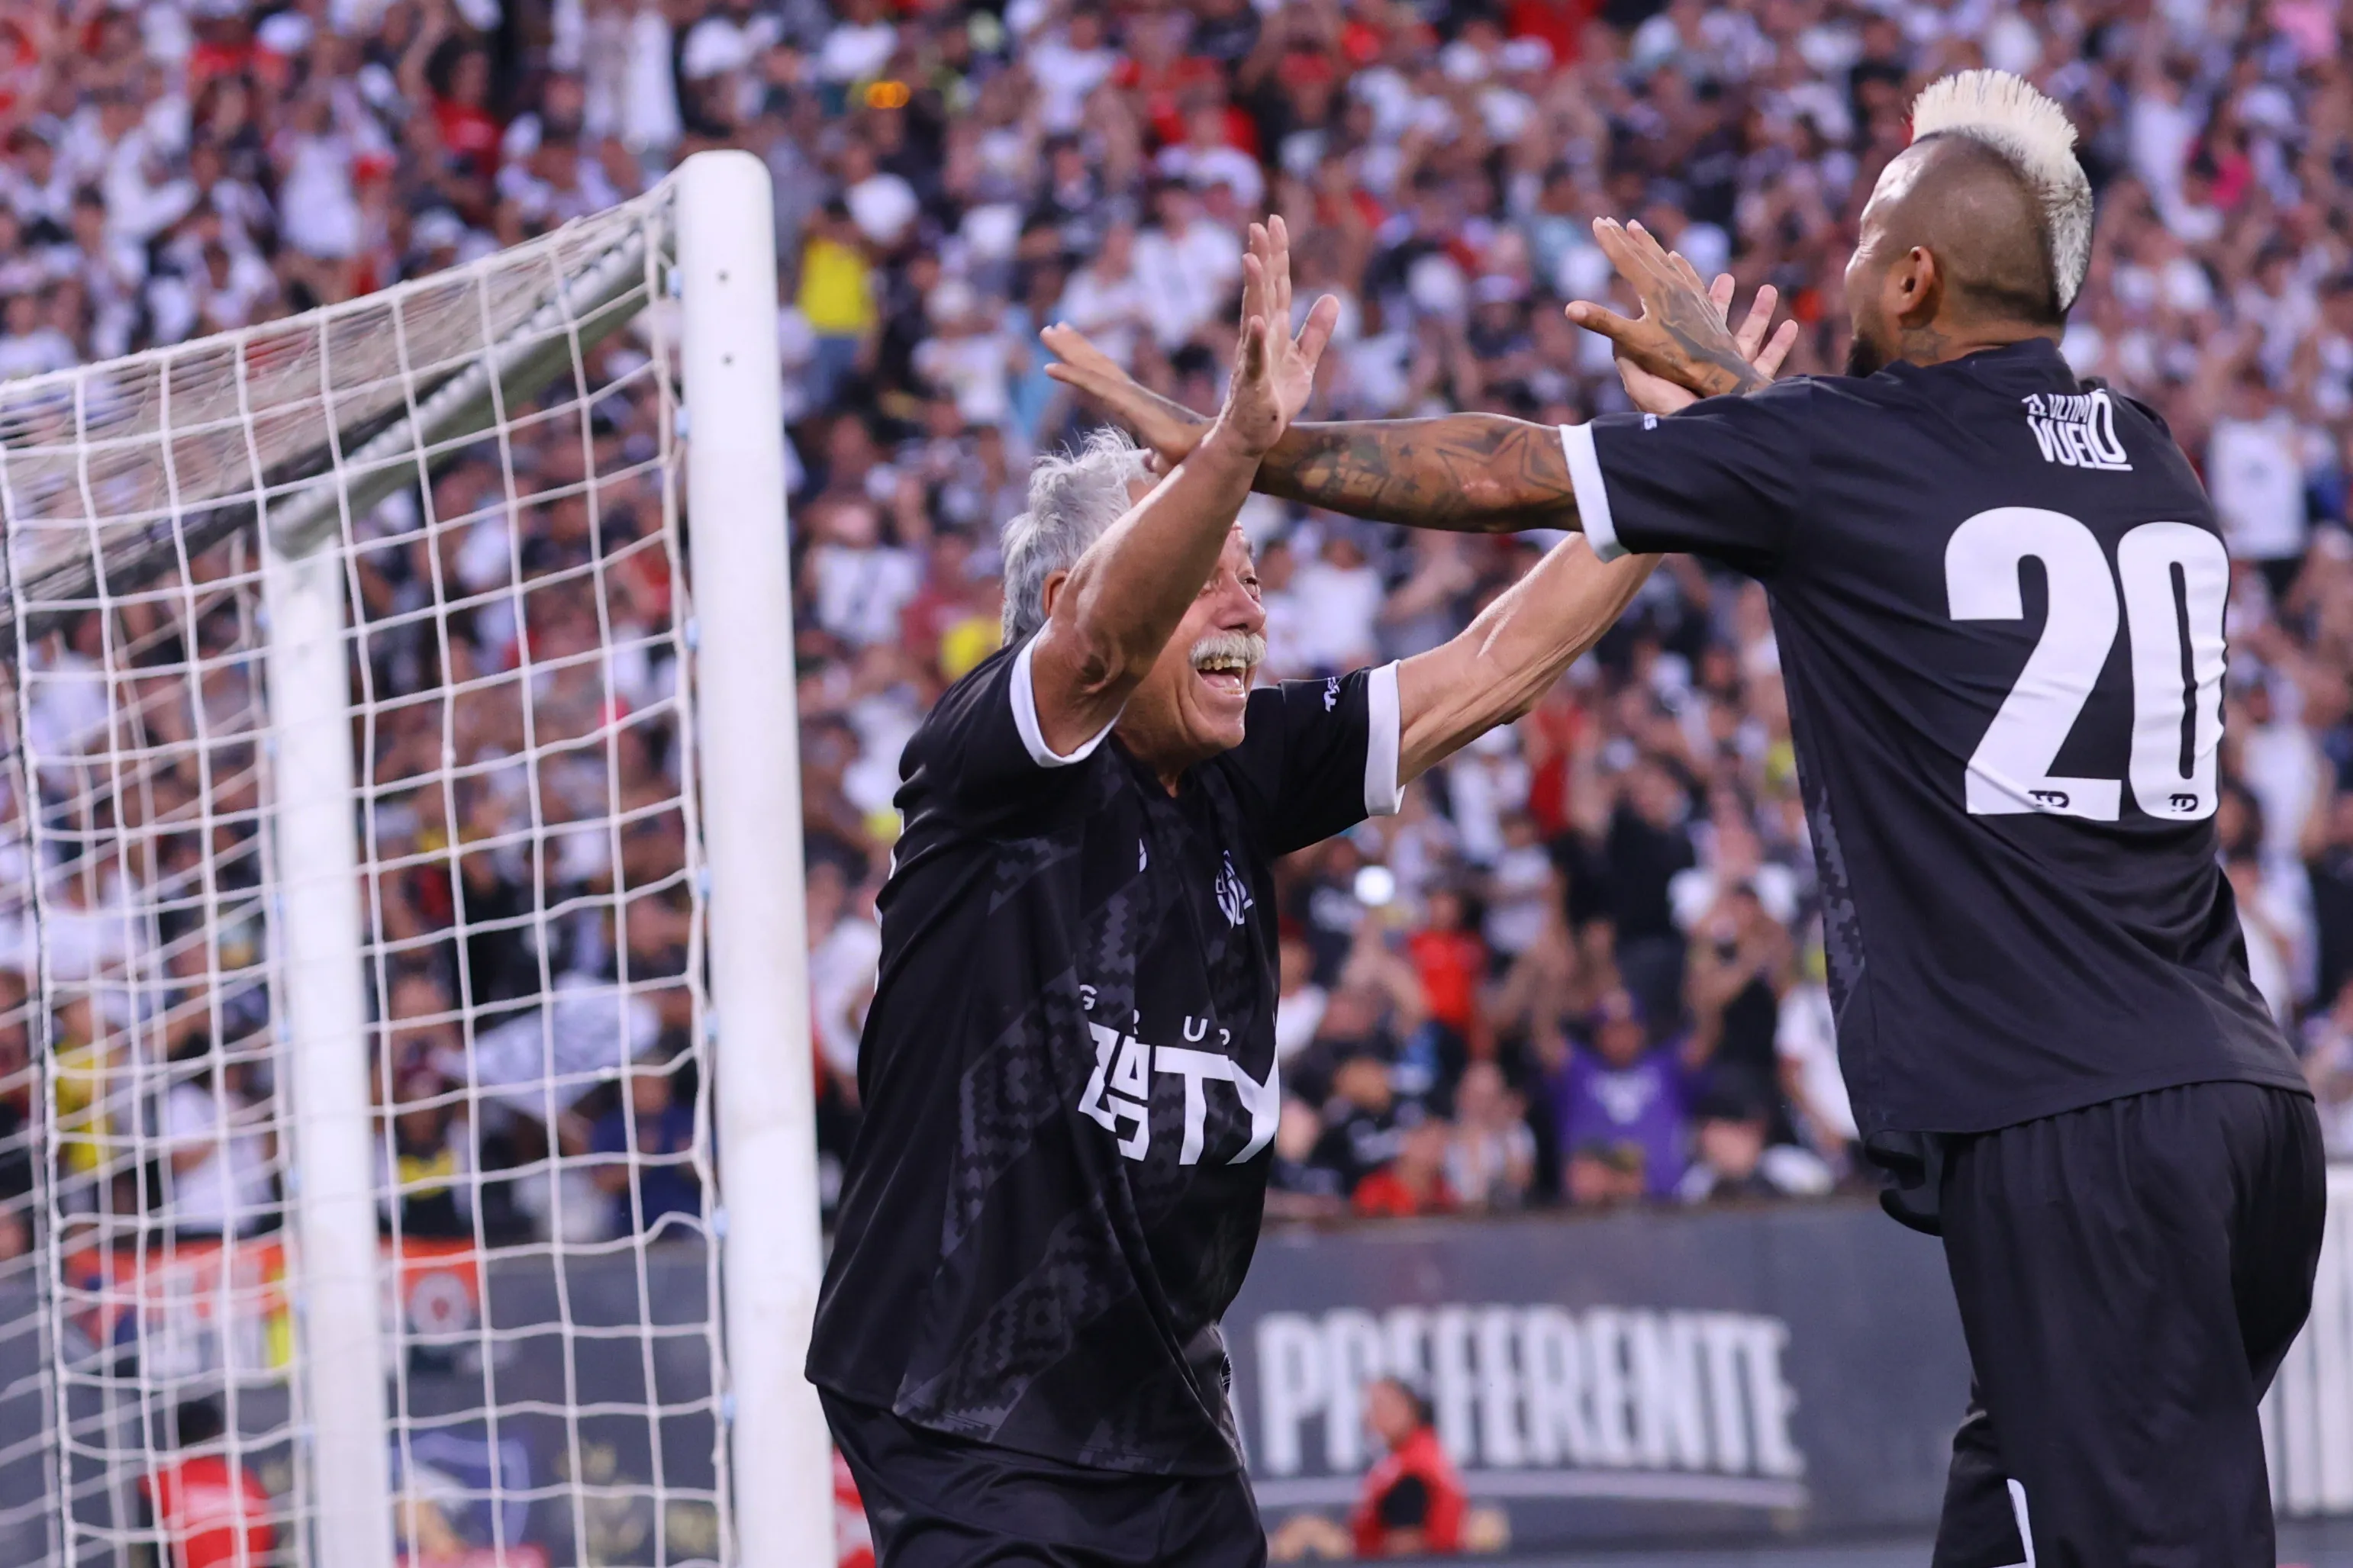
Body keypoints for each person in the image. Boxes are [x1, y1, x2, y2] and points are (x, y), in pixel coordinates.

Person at [1047, 73, 2325, 1568]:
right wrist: (1746, 402)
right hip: (2241, 1114)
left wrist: (1242, 451)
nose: (1835, 260)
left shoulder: (1840, 446)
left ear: (1911, 277)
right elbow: (1903, 477)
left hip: (2074, 1133)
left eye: (1862, 236)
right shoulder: (2148, 449)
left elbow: (1506, 470)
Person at [806, 219, 1712, 1566]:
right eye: (1207, 563)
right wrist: (1230, 448)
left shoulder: (1241, 773)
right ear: (1070, 591)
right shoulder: (993, 762)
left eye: (1250, 564)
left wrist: (1672, 472)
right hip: (966, 1411)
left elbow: (1489, 667)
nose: (1249, 598)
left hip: (1164, 1422)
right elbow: (1105, 643)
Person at [136, 1399, 274, 1568]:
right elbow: (270, 1544)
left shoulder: (159, 1482)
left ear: (174, 1433)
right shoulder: (246, 1482)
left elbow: (151, 1551)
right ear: (218, 1432)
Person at [1348, 1380, 1466, 1558]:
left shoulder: (1412, 1468)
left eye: (1380, 1406)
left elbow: (1406, 1544)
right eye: (1371, 1407)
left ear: (1409, 1409)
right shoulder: (1417, 1456)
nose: (1371, 1416)